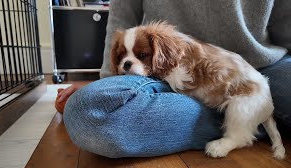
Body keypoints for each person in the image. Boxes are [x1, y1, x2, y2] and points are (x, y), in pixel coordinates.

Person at [58, 0, 291, 158]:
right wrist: (106, 82)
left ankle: (239, 125)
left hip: (264, 66)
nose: (127, 61)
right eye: (124, 57)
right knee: (86, 113)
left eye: (140, 55)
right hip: (163, 76)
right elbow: (121, 18)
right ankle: (244, 125)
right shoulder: (145, 50)